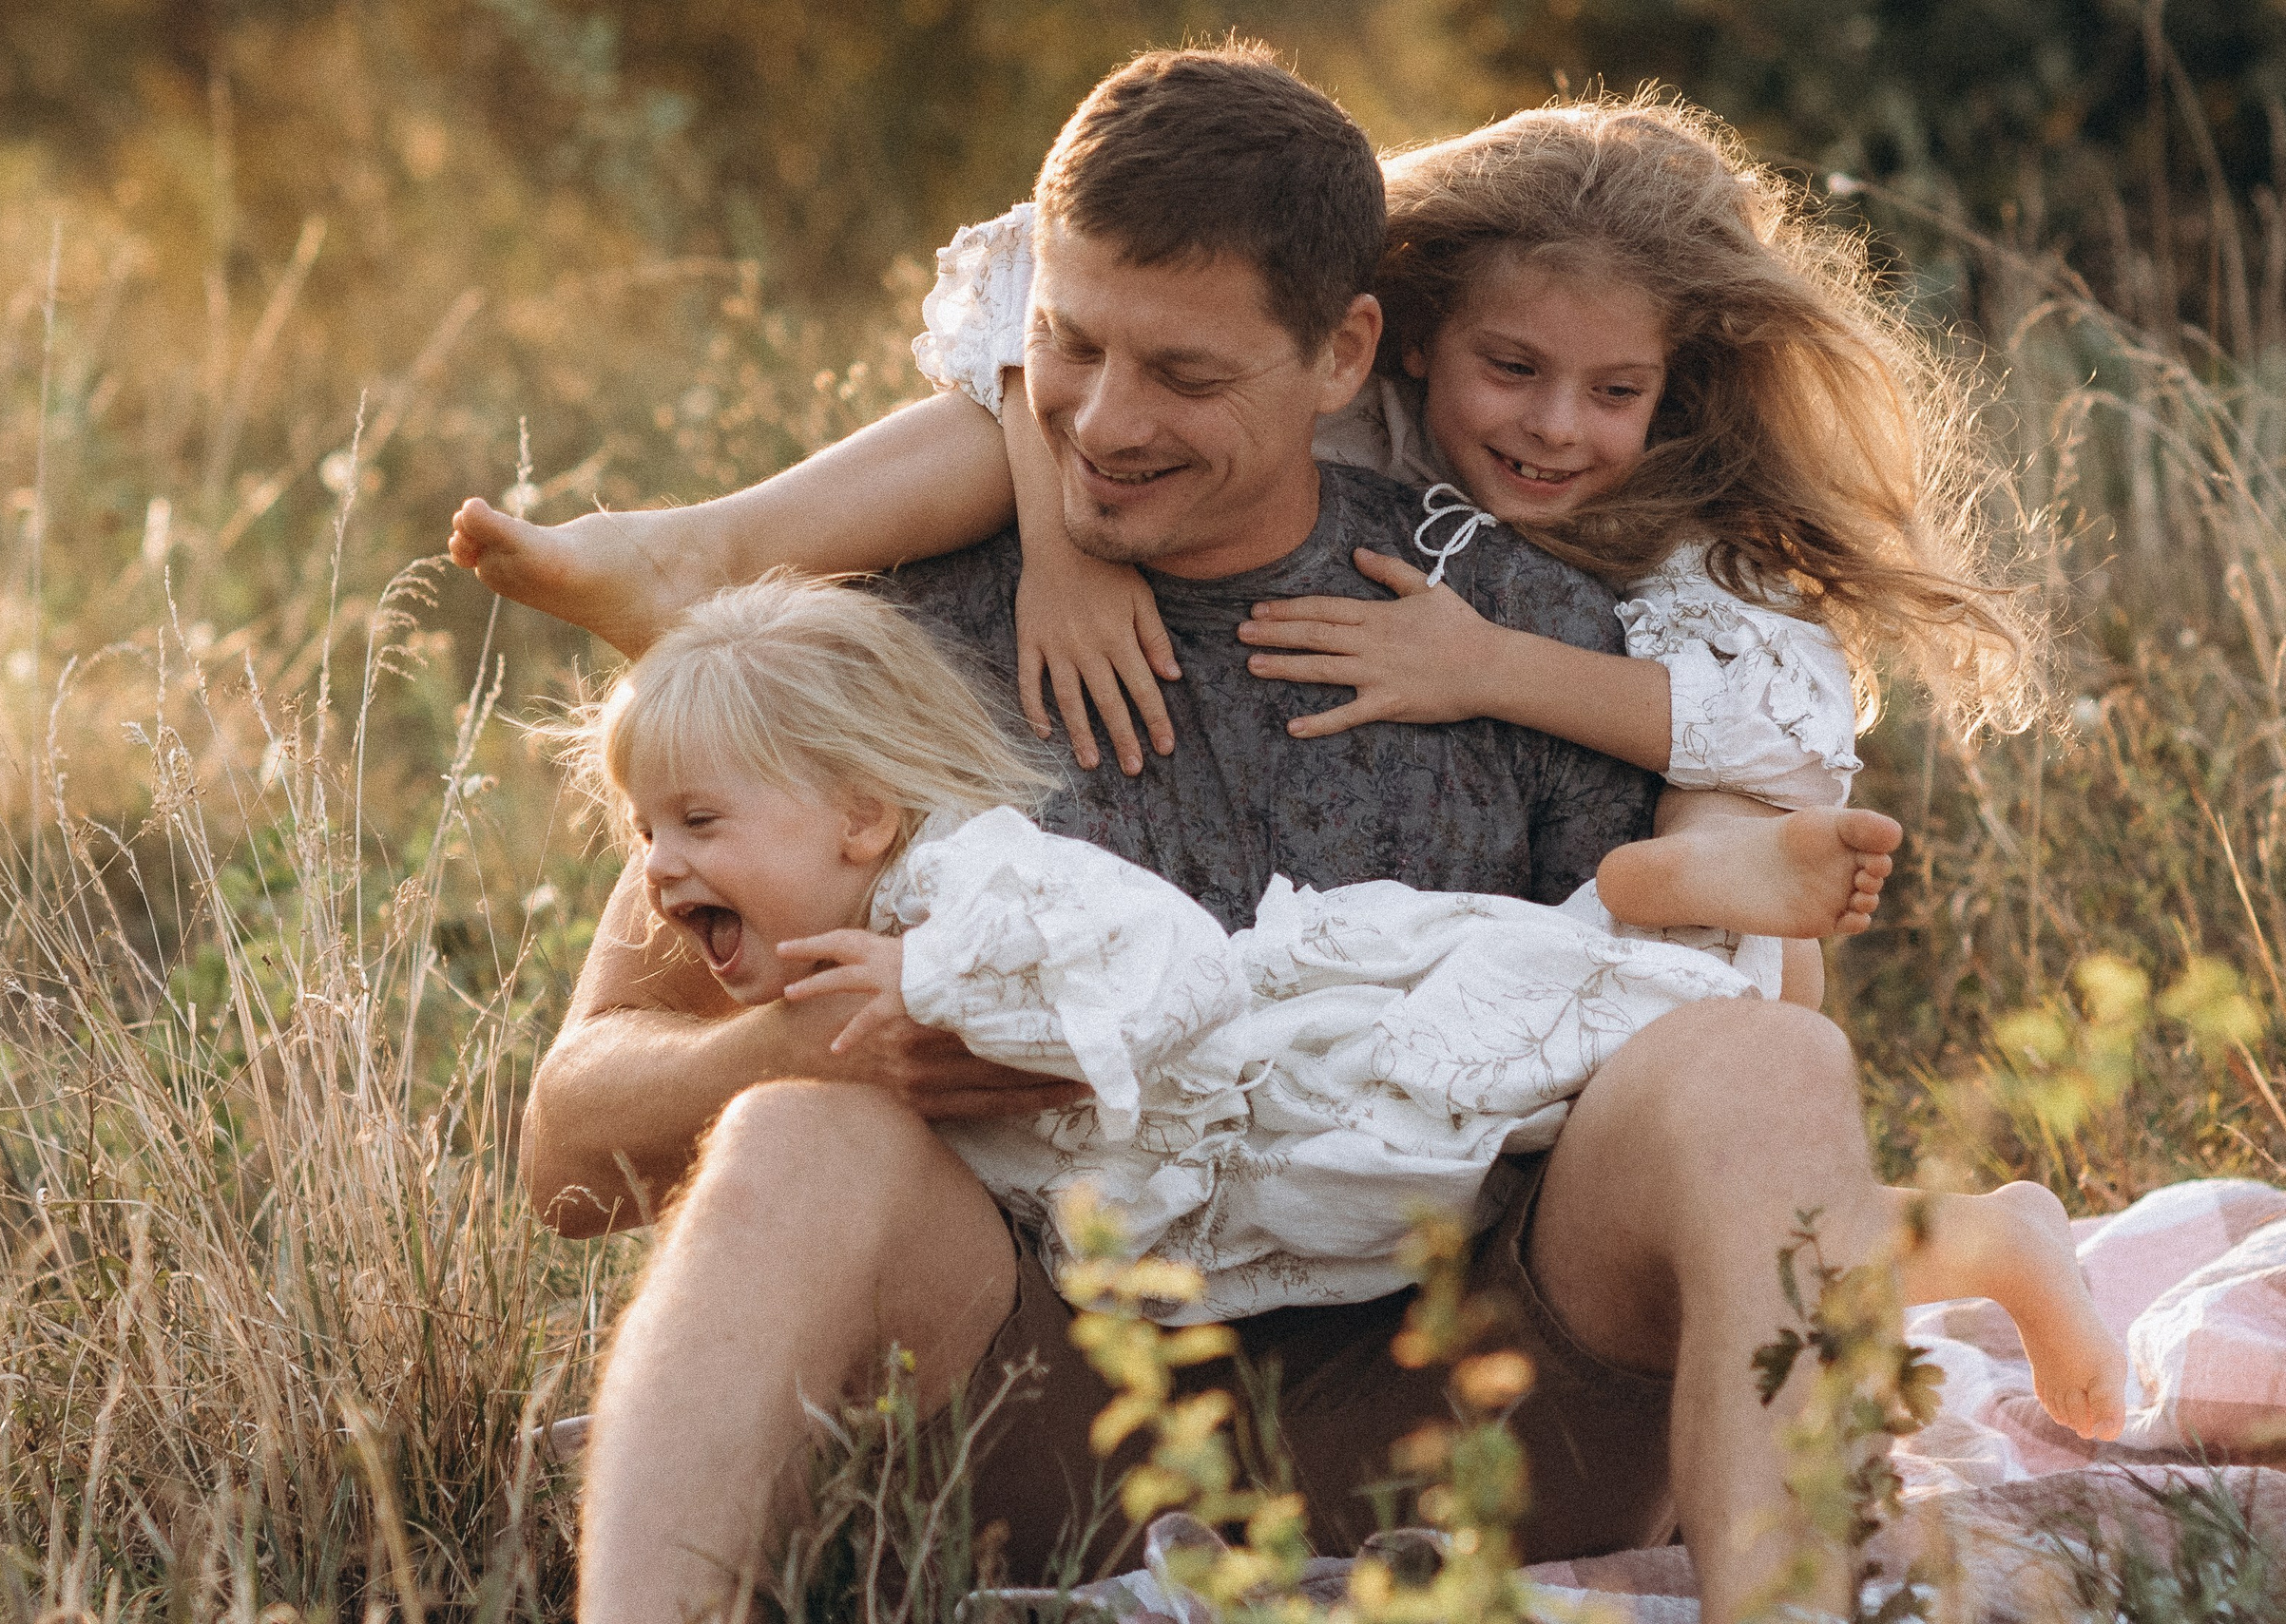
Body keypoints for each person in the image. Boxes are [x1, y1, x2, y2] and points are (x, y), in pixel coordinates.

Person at [483, 49, 2106, 1624]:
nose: (1103, 426)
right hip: (1046, 1417)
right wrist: (825, 1045)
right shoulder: (863, 645)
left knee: (1764, 1063)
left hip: (1484, 1422)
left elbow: (1715, 1097)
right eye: (1069, 347)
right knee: (794, 1133)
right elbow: (566, 1156)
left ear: (1346, 361)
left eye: (1187, 376)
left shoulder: (1531, 631)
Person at [579, 569, 2114, 1422]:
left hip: (1330, 1096)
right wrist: (809, 1031)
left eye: (694, 826)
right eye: (646, 830)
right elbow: (570, 1152)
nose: (658, 866)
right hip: (1237, 1227)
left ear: (861, 814)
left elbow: (1163, 964)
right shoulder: (812, 886)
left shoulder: (970, 881)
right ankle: (1634, 919)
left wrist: (937, 982)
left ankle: (1668, 927)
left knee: (1625, 1059)